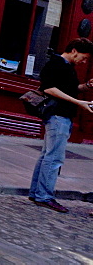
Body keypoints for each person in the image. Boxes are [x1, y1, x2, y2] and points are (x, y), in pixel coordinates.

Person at [28, 38, 93, 213]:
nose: (84, 61)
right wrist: (79, 102)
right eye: (84, 57)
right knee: (54, 157)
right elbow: (49, 89)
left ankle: (37, 193)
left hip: (61, 115)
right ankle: (44, 196)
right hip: (57, 115)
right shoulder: (56, 64)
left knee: (46, 156)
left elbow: (69, 89)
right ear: (74, 51)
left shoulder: (67, 67)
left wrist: (86, 87)